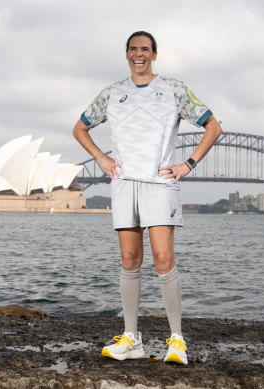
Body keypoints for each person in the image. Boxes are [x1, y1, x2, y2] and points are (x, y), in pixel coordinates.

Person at [72, 31, 222, 365]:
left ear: (154, 55)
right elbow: (79, 128)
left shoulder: (174, 90)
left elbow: (213, 126)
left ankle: (177, 340)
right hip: (124, 183)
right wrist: (102, 158)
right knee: (129, 260)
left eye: (145, 50)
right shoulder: (112, 93)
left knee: (163, 259)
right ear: (126, 54)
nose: (138, 55)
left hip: (159, 183)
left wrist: (189, 163)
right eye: (133, 49)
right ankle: (132, 339)